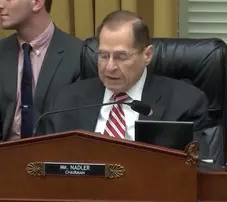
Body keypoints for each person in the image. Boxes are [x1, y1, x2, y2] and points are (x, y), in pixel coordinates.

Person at [38, 10, 208, 148]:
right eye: (103, 56)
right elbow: (42, 160)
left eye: (121, 57)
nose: (110, 66)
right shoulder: (66, 101)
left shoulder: (184, 103)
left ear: (147, 55)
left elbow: (196, 169)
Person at [0, 0, 83, 141]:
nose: (0, 4)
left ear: (37, 2)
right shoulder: (1, 51)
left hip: (54, 159)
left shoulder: (79, 55)